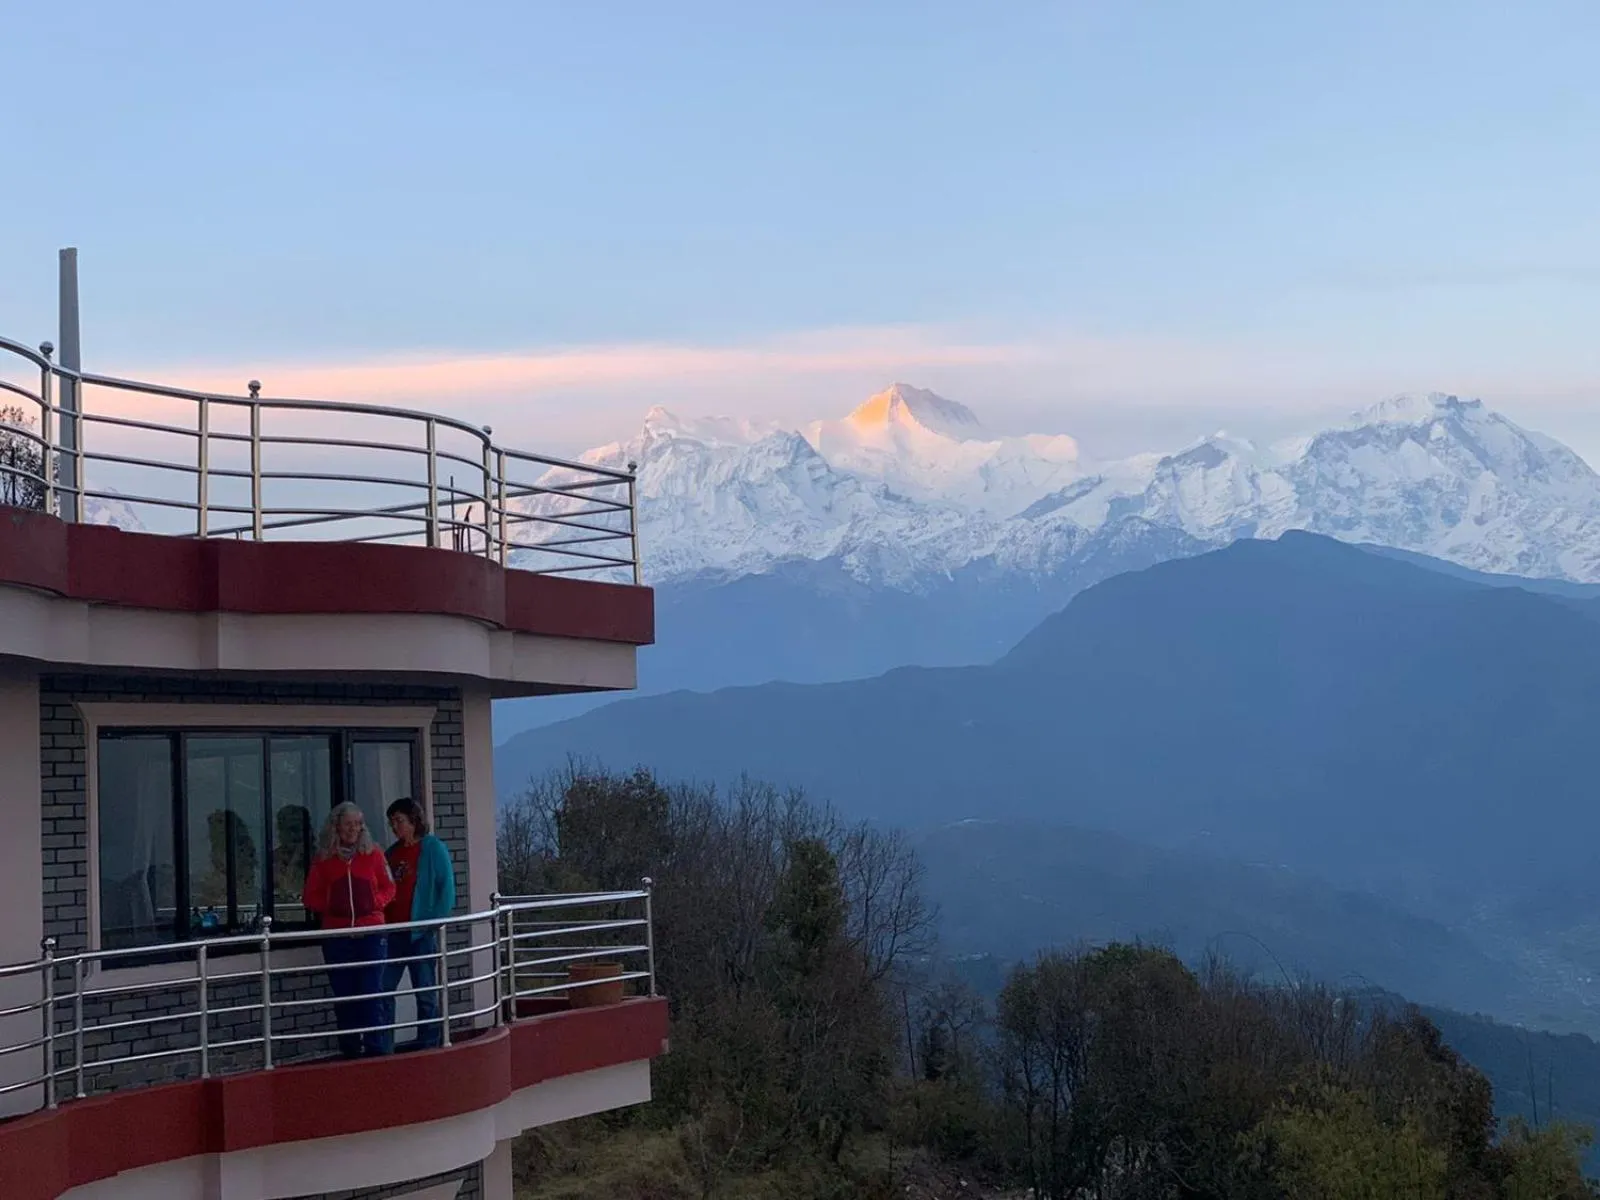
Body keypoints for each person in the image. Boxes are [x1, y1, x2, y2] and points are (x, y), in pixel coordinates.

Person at [302, 802, 395, 1058]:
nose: (353, 829)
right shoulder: (323, 860)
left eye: (358, 824)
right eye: (348, 824)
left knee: (372, 992)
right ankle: (351, 1049)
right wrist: (334, 904)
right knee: (344, 995)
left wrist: (374, 903)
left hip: (372, 934)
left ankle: (377, 1049)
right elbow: (310, 896)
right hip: (337, 936)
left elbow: (389, 887)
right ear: (337, 826)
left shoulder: (374, 854)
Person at [375, 797, 456, 1052]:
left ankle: (428, 1045)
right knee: (384, 989)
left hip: (420, 933)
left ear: (413, 821)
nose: (395, 827)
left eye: (399, 821)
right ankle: (384, 1045)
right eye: (392, 823)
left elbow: (447, 892)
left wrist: (431, 922)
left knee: (425, 992)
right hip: (393, 933)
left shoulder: (432, 848)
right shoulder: (392, 853)